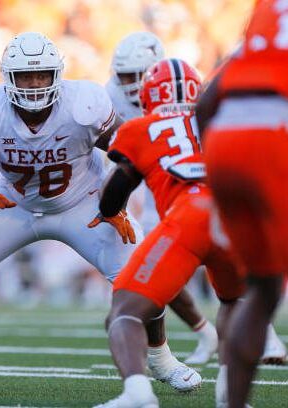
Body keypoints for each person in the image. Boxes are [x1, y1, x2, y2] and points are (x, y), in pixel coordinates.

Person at [0, 32, 200, 392]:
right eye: (25, 76)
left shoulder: (84, 103)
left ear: (56, 74)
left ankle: (161, 359)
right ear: (7, 78)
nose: (33, 84)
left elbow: (129, 156)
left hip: (85, 202)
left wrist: (115, 206)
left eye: (42, 75)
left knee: (140, 273)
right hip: (14, 201)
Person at [93, 58, 248, 408]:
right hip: (235, 219)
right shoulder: (222, 121)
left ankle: (137, 393)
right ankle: (230, 397)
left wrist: (112, 203)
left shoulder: (140, 128)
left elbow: (111, 198)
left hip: (189, 217)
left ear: (148, 95)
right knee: (233, 304)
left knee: (126, 311)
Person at [106, 31, 220, 365]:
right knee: (151, 261)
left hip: (183, 183)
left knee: (156, 264)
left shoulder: (184, 85)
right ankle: (205, 331)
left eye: (139, 75)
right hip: (145, 177)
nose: (131, 83)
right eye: (125, 76)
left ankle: (249, 338)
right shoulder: (108, 97)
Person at [198, 1, 288, 405]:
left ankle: (232, 403)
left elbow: (205, 103)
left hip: (224, 144)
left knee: (262, 290)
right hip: (275, 136)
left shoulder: (266, 13)